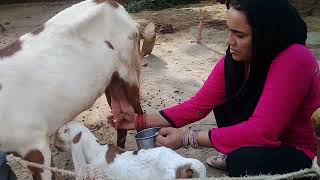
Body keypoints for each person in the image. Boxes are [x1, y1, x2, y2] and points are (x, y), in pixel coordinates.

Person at [107, 0, 320, 177]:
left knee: (242, 162)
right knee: (227, 99)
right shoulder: (236, 63)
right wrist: (138, 120)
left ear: (267, 34)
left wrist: (187, 138)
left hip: (300, 149)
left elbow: (262, 131)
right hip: (266, 139)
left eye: (240, 35)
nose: (230, 41)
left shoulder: (294, 59)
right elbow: (198, 106)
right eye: (230, 31)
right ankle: (237, 147)